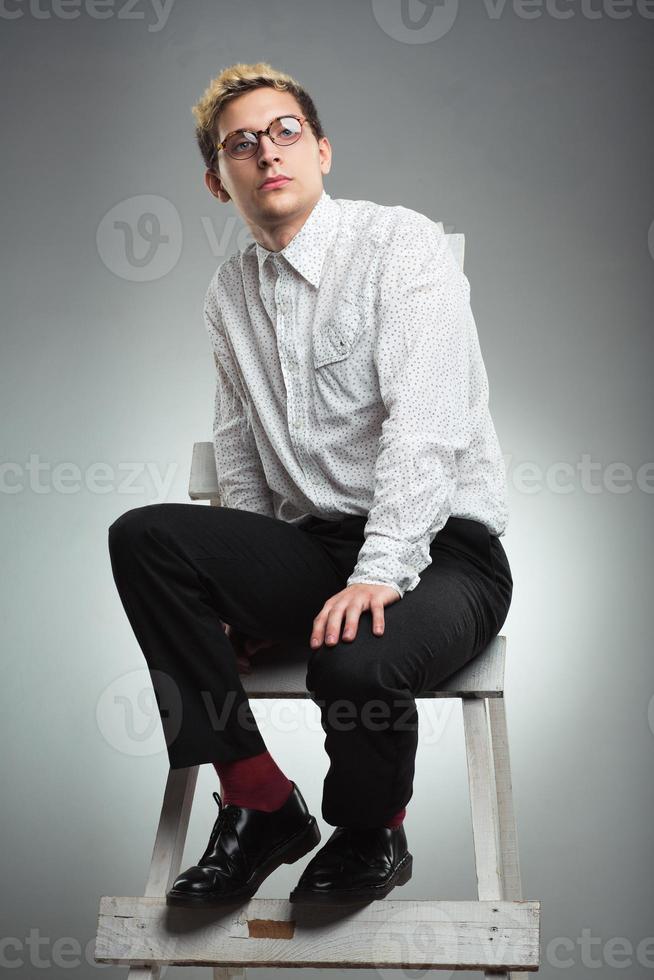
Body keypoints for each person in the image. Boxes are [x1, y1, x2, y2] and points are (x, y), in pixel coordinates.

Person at [107, 60, 513, 908]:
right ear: (219, 183)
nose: (267, 152)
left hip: (442, 553)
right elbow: (241, 446)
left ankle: (373, 833)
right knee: (143, 536)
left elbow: (426, 427)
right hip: (316, 551)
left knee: (354, 664)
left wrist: (380, 569)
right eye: (241, 144)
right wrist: (241, 587)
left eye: (286, 130)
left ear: (322, 150)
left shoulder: (401, 244)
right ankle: (258, 799)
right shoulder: (229, 292)